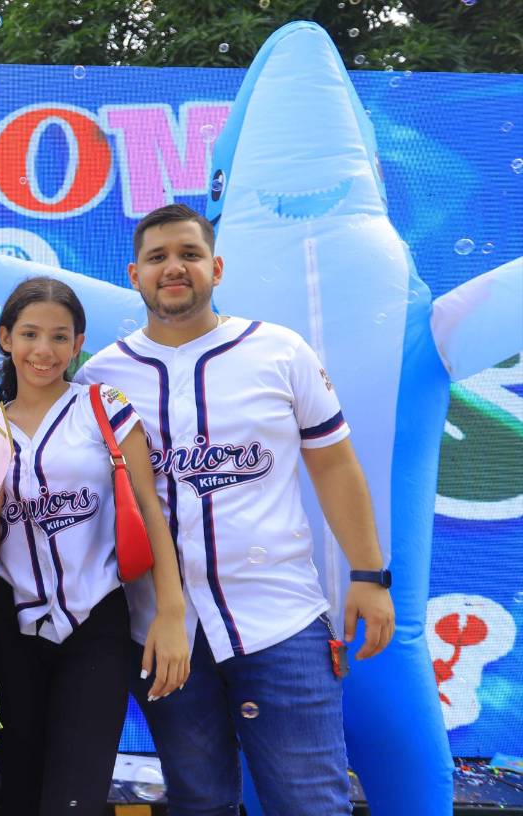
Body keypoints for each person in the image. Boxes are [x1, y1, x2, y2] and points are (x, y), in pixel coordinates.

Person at [76, 204, 396, 816]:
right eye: (157, 257)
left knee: (312, 804)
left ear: (216, 267)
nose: (175, 267)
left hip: (281, 620)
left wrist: (368, 574)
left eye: (189, 254)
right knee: (200, 804)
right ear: (134, 274)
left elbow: (334, 464)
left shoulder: (279, 350)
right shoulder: (101, 377)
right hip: (163, 635)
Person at [0, 276, 190, 815]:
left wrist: (170, 613)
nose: (43, 350)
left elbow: (151, 510)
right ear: (5, 338)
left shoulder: (105, 407)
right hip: (10, 628)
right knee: (19, 792)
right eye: (29, 334)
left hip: (96, 623)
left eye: (59, 336)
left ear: (78, 345)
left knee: (76, 797)